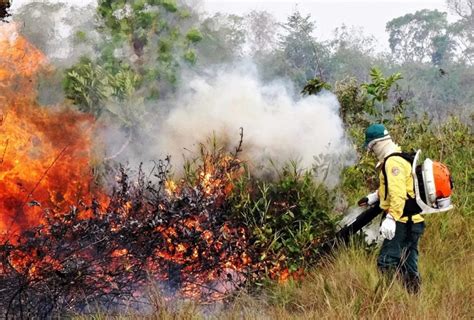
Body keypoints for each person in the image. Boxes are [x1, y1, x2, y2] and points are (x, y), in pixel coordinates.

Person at [358, 123, 424, 294]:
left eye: (371, 148)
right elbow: (392, 188)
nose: (372, 153)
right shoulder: (401, 157)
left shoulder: (392, 162)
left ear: (376, 144)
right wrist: (374, 197)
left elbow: (398, 193)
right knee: (409, 264)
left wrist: (391, 218)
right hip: (414, 221)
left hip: (401, 222)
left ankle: (391, 299)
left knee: (386, 262)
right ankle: (414, 299)